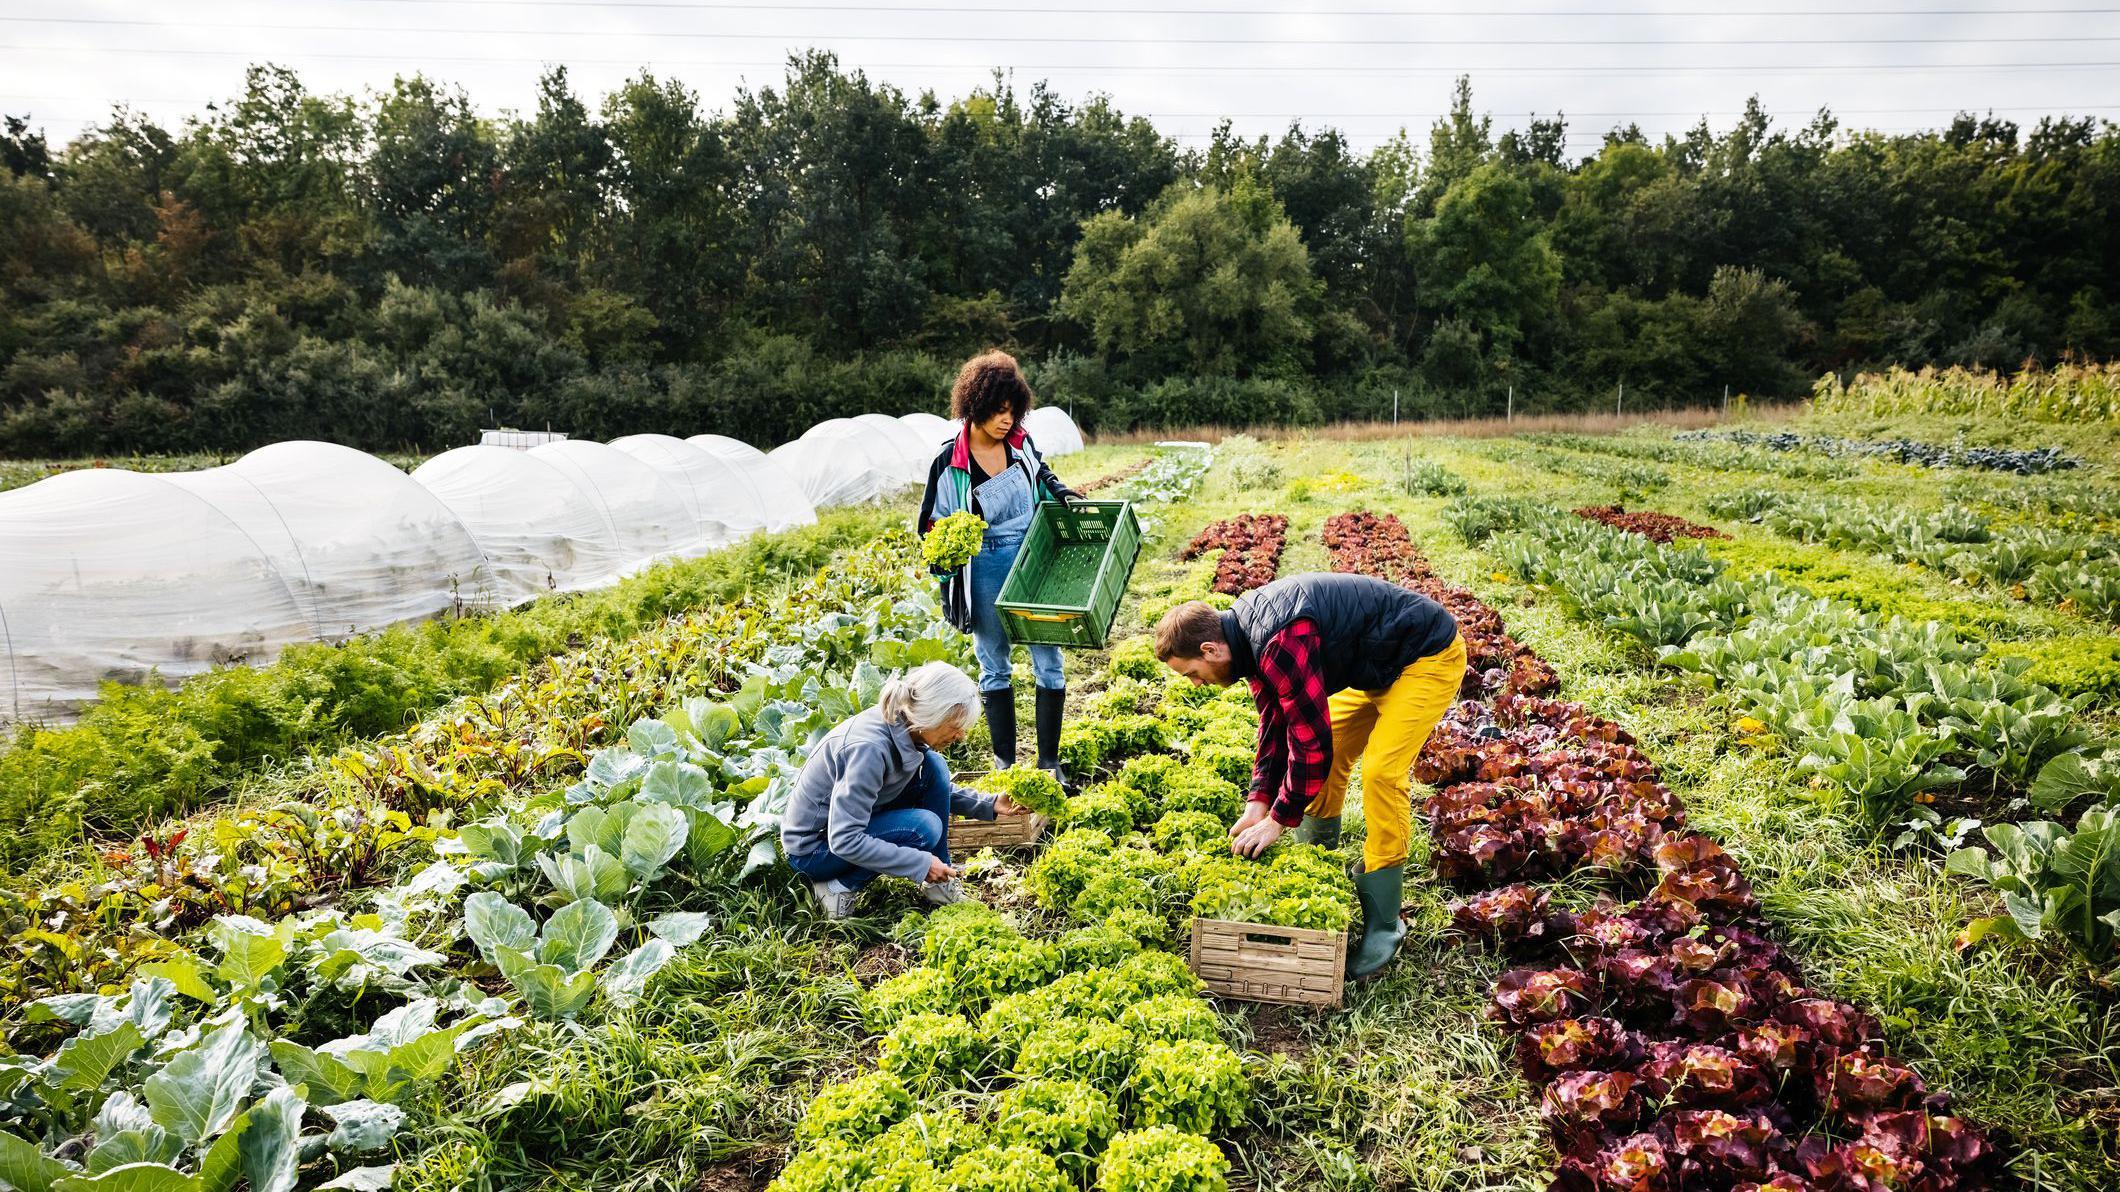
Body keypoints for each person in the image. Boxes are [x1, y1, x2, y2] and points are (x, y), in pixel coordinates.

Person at [1153, 573, 1466, 979]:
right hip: (1376, 666)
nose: (1196, 683)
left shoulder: (1278, 640)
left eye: (1191, 672)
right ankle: (1319, 857)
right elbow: (1274, 722)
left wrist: (1280, 820)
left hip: (1424, 657)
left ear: (1210, 649)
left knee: (1381, 773)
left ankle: (1386, 923)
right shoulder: (1246, 640)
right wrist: (1258, 804)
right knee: (1331, 745)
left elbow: (1308, 744)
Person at [916, 350, 1081, 781]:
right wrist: (947, 550)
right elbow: (930, 527)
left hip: (1031, 555)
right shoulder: (948, 460)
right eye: (998, 411)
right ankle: (1005, 763)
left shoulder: (1020, 443)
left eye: (1013, 411)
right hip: (984, 563)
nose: (1007, 420)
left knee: (1049, 657)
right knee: (994, 662)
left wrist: (1059, 490)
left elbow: (1041, 471)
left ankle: (1049, 763)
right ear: (974, 406)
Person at [780, 661, 1031, 920]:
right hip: (814, 851)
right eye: (955, 726)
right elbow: (844, 839)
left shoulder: (905, 729)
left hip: (845, 829)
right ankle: (837, 888)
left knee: (935, 766)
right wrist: (919, 864)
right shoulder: (869, 750)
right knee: (923, 828)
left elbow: (928, 784)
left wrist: (990, 804)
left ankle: (939, 881)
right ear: (932, 713)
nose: (961, 736)